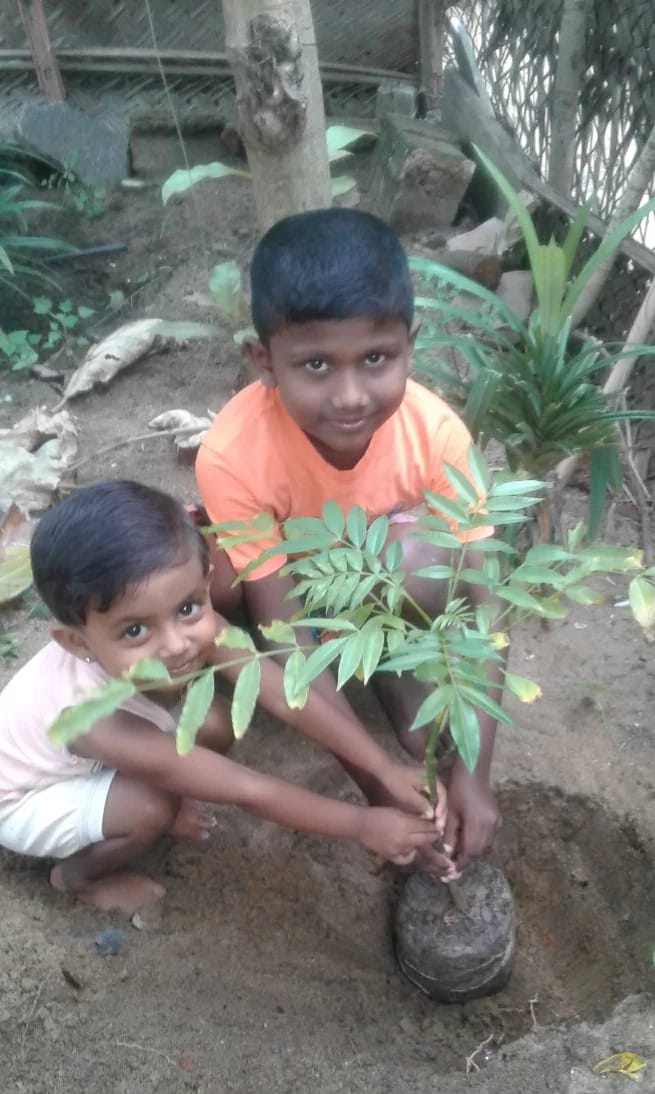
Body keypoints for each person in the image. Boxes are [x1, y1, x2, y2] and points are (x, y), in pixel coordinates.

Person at [195, 207, 502, 874]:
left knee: (429, 558)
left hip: (370, 580)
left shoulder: (436, 434)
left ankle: (386, 665)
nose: (351, 395)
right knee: (212, 580)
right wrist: (377, 788)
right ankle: (346, 669)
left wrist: (476, 773)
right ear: (263, 362)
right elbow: (286, 637)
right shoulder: (233, 454)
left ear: (410, 345)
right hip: (286, 595)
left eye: (375, 359)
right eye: (316, 364)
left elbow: (486, 604)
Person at [0, 480, 450, 916]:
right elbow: (245, 788)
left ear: (205, 582)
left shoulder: (189, 626)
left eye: (187, 608)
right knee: (150, 808)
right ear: (76, 642)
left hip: (111, 750)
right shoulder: (87, 717)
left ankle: (156, 793)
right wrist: (361, 825)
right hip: (30, 796)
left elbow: (283, 694)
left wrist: (382, 767)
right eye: (135, 630)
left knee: (213, 721)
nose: (176, 643)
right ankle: (78, 878)